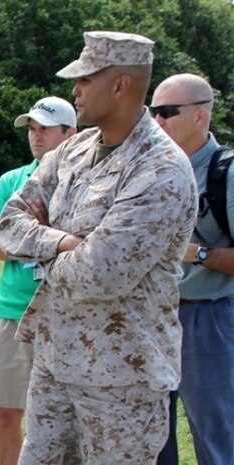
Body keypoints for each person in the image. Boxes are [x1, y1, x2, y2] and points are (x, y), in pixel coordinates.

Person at [0, 31, 199, 464]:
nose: (75, 90)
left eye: (85, 79)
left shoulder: (160, 170)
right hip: (54, 363)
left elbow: (98, 274)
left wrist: (44, 247)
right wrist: (66, 242)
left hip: (121, 380)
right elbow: (9, 224)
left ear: (120, 86)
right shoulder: (73, 149)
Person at [0, 96, 76, 465]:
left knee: (63, 421)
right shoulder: (12, 180)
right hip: (12, 311)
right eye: (32, 129)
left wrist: (25, 233)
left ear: (71, 132)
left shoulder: (87, 180)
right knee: (5, 413)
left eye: (45, 129)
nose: (36, 137)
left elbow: (91, 245)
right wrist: (50, 237)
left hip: (67, 314)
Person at [152, 74, 234, 465]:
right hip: (154, 316)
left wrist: (195, 253)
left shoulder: (227, 173)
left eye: (167, 112)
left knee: (215, 434)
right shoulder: (152, 172)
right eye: (152, 112)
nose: (157, 121)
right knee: (153, 434)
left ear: (201, 116)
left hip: (210, 317)